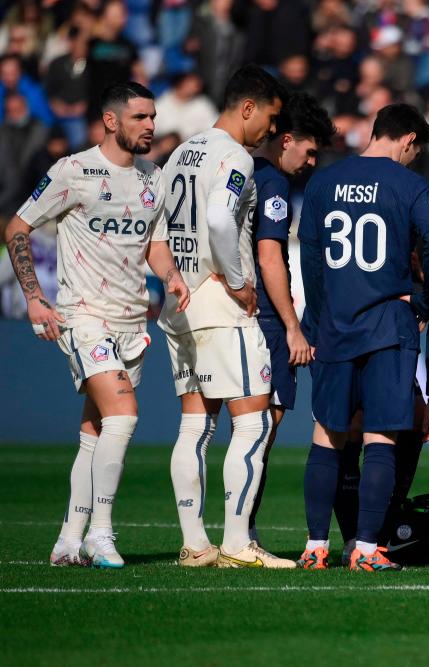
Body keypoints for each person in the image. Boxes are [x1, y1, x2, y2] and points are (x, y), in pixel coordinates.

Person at [4, 82, 188, 568]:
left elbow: (154, 242)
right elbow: (17, 227)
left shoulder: (154, 178)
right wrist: (35, 298)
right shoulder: (74, 171)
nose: (150, 126)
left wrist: (170, 276)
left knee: (95, 430)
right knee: (124, 416)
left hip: (133, 322)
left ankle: (68, 538)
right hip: (85, 316)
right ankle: (100, 534)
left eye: (152, 117)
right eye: (140, 118)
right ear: (111, 121)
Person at [298, 103, 429, 572]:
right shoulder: (411, 186)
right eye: (414, 151)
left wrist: (318, 321)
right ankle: (365, 549)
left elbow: (311, 259)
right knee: (381, 438)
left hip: (335, 327)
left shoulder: (323, 181)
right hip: (387, 328)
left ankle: (314, 548)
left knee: (327, 436)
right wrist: (423, 302)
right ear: (406, 141)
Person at [159, 64, 290, 569]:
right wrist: (237, 280)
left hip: (181, 303)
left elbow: (156, 228)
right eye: (271, 118)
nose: (273, 131)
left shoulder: (180, 152)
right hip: (220, 305)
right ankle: (238, 543)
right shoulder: (235, 156)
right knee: (252, 424)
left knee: (194, 427)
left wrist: (175, 275)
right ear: (248, 108)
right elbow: (218, 217)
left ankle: (195, 544)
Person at [244, 92, 334, 547]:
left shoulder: (237, 171)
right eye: (310, 150)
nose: (312, 162)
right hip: (264, 321)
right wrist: (293, 326)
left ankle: (205, 533)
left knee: (205, 427)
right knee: (262, 429)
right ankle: (244, 532)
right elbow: (270, 256)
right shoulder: (274, 185)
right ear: (287, 141)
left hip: (222, 314)